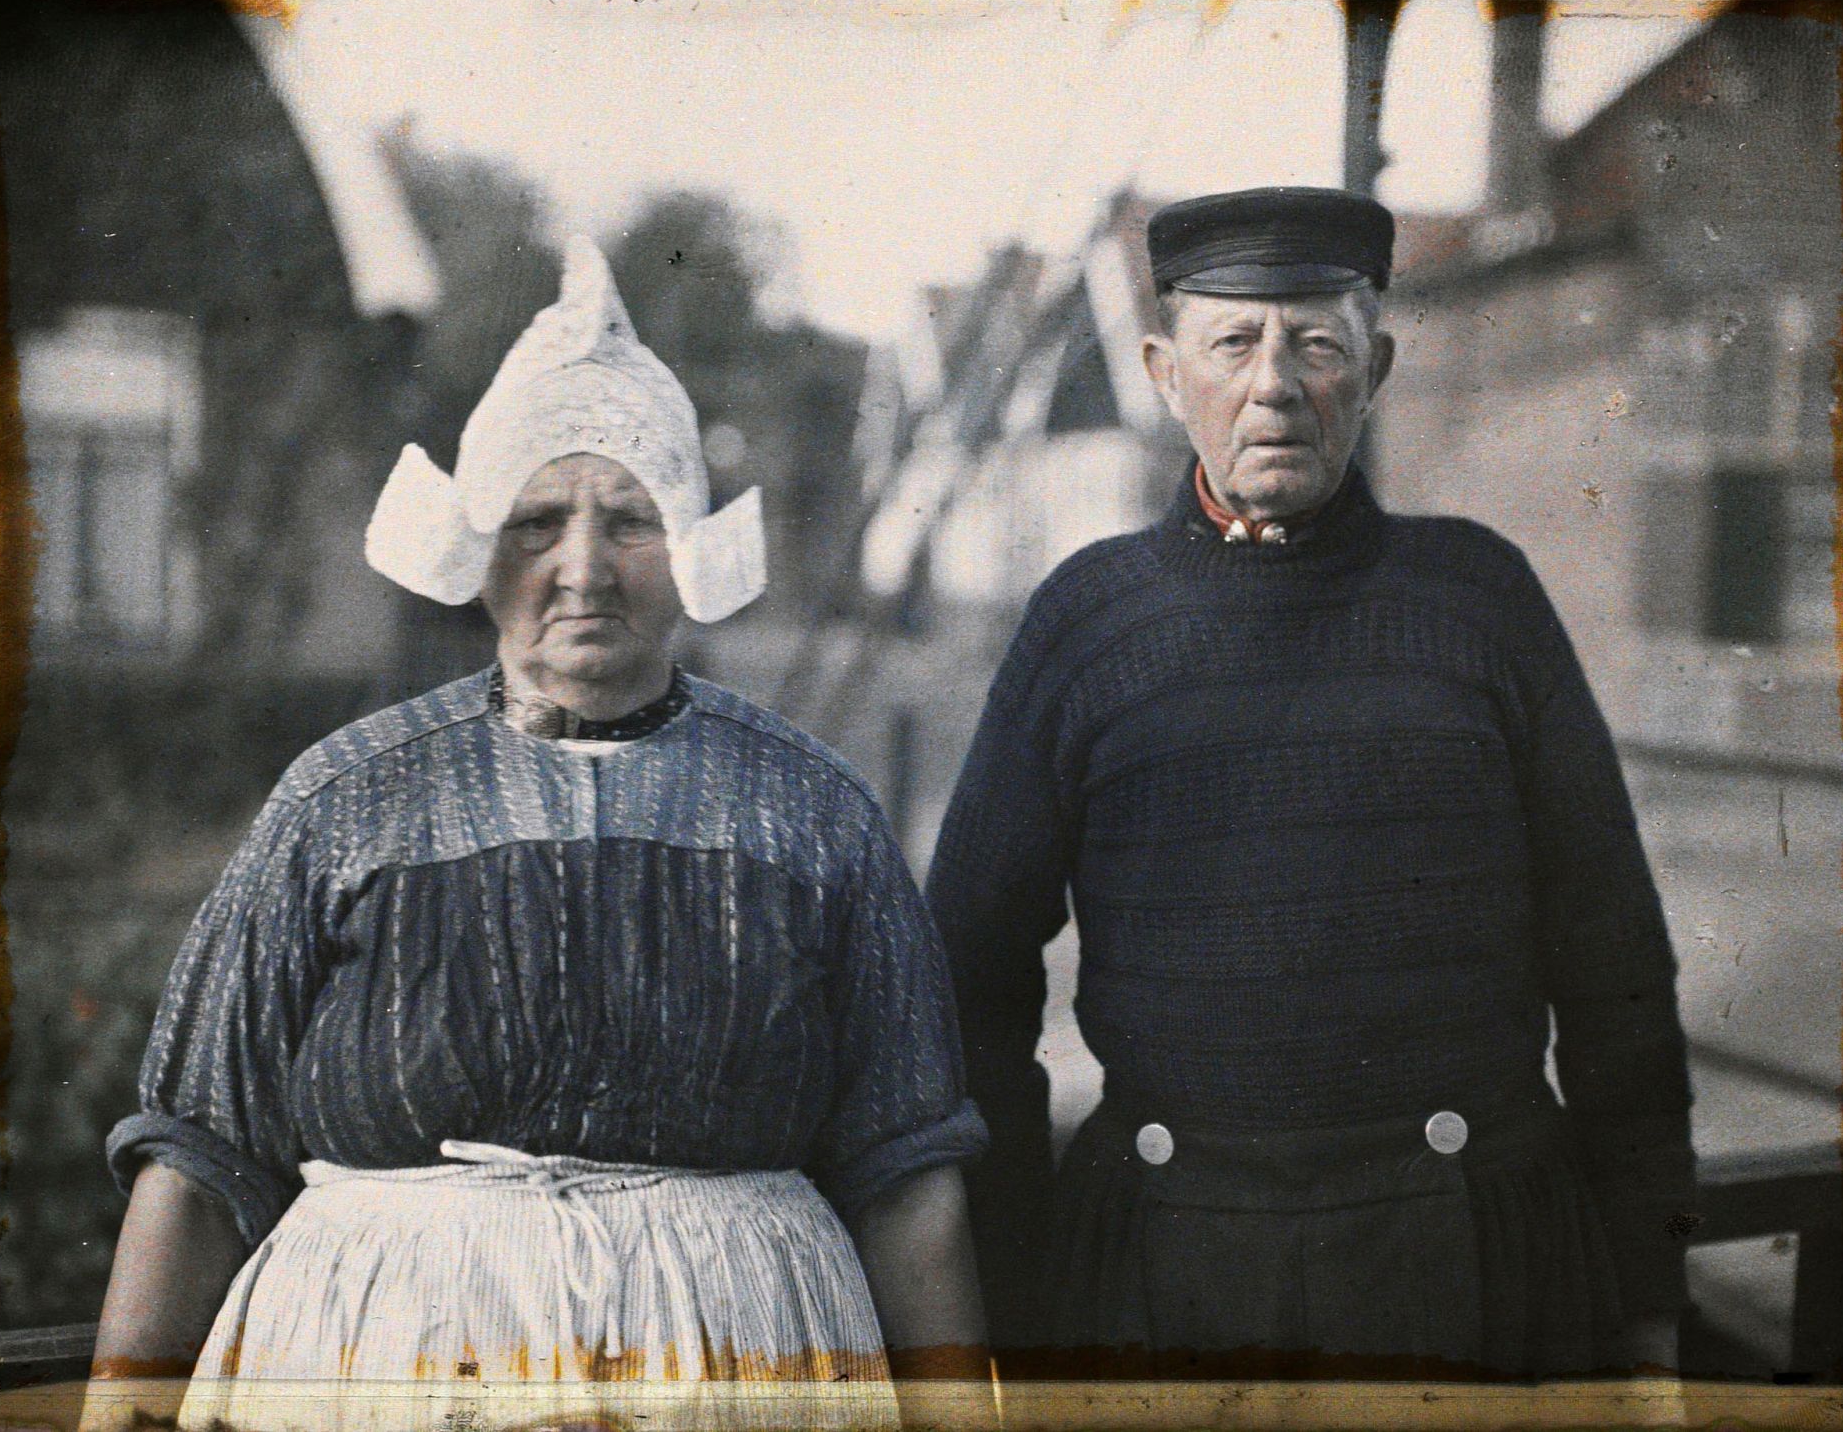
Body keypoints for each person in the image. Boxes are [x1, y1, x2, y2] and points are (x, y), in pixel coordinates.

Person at [87, 239, 988, 1431]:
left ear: (692, 544)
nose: (582, 569)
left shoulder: (812, 814)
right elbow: (195, 1163)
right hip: (387, 1376)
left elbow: (908, 1180)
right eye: (535, 520)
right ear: (472, 550)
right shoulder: (342, 801)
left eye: (630, 519)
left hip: (734, 1374)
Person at [927, 187, 1696, 1379]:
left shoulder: (1478, 599)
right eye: (1232, 342)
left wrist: (1646, 1304)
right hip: (1163, 1270)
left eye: (1316, 342)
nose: (1273, 383)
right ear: (1164, 368)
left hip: (1475, 1260)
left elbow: (1617, 974)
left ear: (1374, 365)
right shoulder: (1086, 620)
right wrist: (1014, 1273)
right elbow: (965, 978)